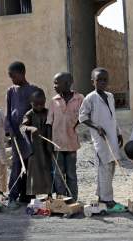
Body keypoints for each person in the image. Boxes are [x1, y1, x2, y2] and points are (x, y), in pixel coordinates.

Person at [79, 68, 125, 212]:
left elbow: (113, 118)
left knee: (111, 167)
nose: (103, 82)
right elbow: (82, 117)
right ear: (93, 81)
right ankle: (108, 200)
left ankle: (101, 196)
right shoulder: (90, 98)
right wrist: (96, 126)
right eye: (99, 80)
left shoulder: (110, 96)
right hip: (100, 138)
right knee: (104, 166)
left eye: (105, 79)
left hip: (112, 137)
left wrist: (118, 133)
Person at [5, 61, 41, 209]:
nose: (12, 79)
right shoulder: (11, 91)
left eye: (13, 76)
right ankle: (12, 196)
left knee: (29, 165)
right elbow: (8, 113)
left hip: (28, 136)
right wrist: (9, 131)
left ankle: (27, 196)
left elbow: (36, 113)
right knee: (16, 165)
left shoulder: (33, 90)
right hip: (15, 136)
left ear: (22, 73)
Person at [46, 72, 84, 201]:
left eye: (57, 83)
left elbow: (84, 117)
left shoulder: (79, 99)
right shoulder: (53, 101)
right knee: (58, 174)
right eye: (54, 83)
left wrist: (76, 124)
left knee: (71, 174)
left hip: (72, 144)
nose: (54, 86)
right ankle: (61, 200)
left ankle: (73, 199)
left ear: (67, 84)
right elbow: (49, 123)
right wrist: (49, 143)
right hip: (57, 145)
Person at [20, 90, 52, 198]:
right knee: (34, 172)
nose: (39, 106)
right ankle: (33, 196)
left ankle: (49, 194)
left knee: (47, 171)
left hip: (46, 147)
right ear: (31, 103)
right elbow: (22, 127)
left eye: (42, 104)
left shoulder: (47, 112)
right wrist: (30, 128)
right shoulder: (29, 114)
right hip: (34, 149)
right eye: (36, 104)